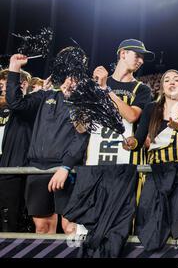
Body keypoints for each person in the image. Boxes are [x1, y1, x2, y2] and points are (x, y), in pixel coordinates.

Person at [6, 52, 89, 234]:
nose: (70, 80)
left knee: (71, 228)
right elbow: (15, 104)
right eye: (67, 74)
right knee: (43, 228)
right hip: (37, 169)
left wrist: (66, 167)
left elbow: (82, 137)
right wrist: (14, 69)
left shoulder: (84, 102)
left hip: (67, 171)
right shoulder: (45, 95)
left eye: (75, 75)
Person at [123, 70, 178, 251]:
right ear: (162, 87)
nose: (171, 82)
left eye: (176, 80)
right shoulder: (151, 108)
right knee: (151, 223)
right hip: (156, 175)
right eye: (167, 80)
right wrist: (131, 142)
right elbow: (139, 139)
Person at [86, 39, 152, 167]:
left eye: (142, 58)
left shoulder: (142, 89)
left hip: (128, 164)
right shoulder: (96, 84)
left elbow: (132, 116)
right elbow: (83, 127)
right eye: (137, 56)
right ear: (123, 54)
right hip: (96, 160)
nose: (141, 61)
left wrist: (106, 89)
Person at [0, 69, 34, 232]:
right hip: (7, 168)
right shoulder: (11, 109)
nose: (3, 89)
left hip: (20, 170)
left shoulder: (30, 104)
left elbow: (16, 102)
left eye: (7, 85)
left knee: (14, 221)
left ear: (24, 84)